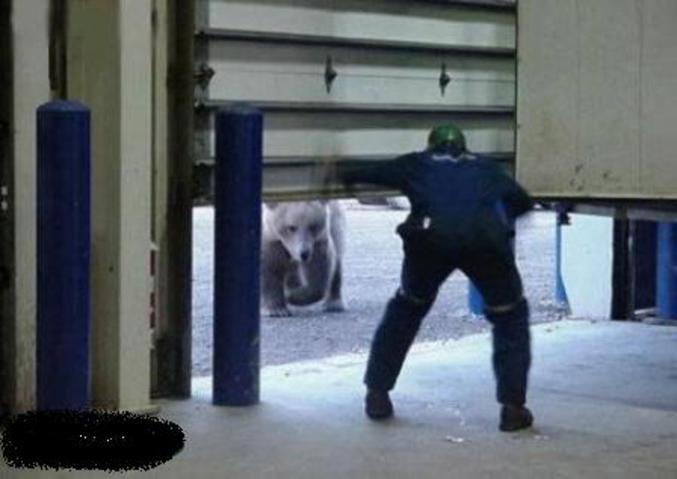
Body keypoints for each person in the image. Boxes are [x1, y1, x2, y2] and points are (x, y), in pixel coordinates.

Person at [334, 124, 534, 432]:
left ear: (431, 146)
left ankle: (377, 394)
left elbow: (375, 172)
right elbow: (521, 201)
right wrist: (497, 222)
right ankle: (512, 408)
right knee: (510, 316)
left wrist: (342, 172)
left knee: (406, 309)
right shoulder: (485, 167)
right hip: (485, 245)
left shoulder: (416, 164)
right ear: (464, 148)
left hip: (430, 242)